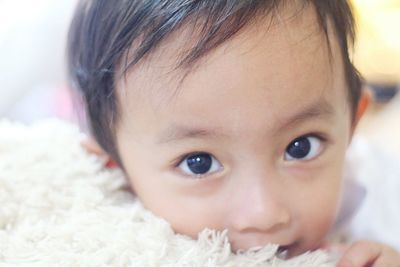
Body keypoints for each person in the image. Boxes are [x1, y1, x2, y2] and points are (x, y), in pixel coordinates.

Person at [68, 0, 400, 266]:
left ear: (352, 125)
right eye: (199, 163)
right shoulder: (105, 239)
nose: (264, 214)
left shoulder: (381, 200)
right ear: (113, 162)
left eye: (301, 147)